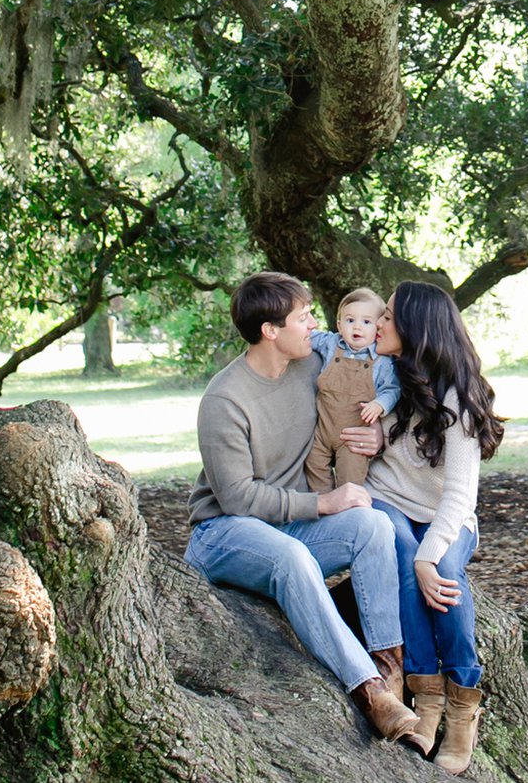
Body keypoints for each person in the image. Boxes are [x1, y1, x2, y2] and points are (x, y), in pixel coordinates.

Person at [183, 271, 420, 744]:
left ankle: (390, 671)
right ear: (271, 331)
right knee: (290, 558)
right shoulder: (224, 399)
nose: (315, 324)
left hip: (290, 524)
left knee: (373, 527)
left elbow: (364, 387)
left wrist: (378, 431)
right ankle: (369, 691)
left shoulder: (314, 363)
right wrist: (324, 501)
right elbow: (237, 497)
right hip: (224, 532)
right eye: (303, 317)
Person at [367, 281, 504, 776]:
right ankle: (426, 700)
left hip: (447, 516)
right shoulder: (386, 376)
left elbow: (460, 496)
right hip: (389, 501)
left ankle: (463, 706)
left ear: (416, 327)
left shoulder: (457, 395)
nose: (378, 323)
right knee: (401, 551)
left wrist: (430, 556)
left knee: (440, 566)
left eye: (387, 316)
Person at [305, 288, 401, 493]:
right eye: (350, 320)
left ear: (378, 328)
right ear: (339, 324)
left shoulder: (381, 361)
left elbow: (392, 389)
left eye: (366, 322)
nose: (357, 326)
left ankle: (348, 510)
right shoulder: (330, 344)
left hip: (353, 435)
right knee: (313, 464)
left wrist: (379, 405)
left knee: (350, 477)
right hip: (323, 430)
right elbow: (307, 336)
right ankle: (323, 505)